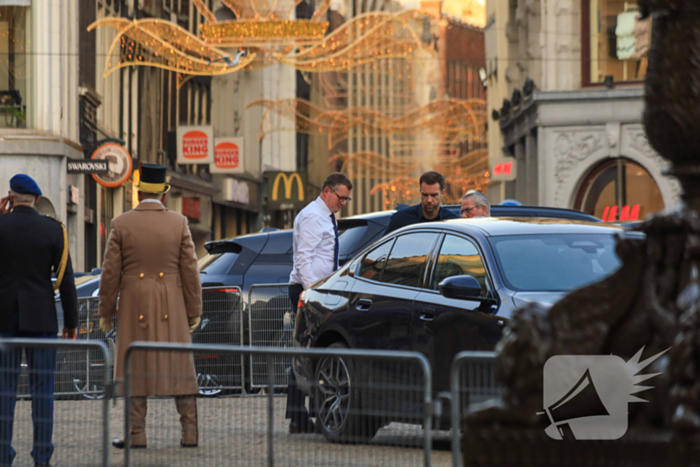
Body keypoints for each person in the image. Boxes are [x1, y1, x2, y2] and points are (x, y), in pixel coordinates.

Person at [98, 163, 202, 449]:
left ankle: (136, 434)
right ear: (164, 195)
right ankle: (189, 433)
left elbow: (110, 273)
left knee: (134, 364)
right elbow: (190, 271)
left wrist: (106, 311)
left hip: (133, 301)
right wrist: (194, 311)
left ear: (139, 192)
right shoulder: (179, 223)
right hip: (172, 301)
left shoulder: (121, 223)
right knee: (180, 366)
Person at [0, 174, 78, 467]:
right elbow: (65, 279)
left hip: (4, 319)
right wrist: (71, 322)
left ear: (10, 197)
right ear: (35, 199)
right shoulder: (53, 229)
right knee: (42, 390)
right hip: (42, 320)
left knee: (4, 390)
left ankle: (3, 455)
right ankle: (42, 456)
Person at [287, 172, 353, 434]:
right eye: (341, 198)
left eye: (347, 199)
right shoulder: (315, 216)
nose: (343, 203)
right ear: (327, 191)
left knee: (309, 350)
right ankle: (301, 416)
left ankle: (301, 416)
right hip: (310, 291)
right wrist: (312, 293)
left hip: (313, 290)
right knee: (308, 352)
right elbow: (304, 259)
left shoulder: (321, 214)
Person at [383, 171, 459, 235]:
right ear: (420, 192)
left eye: (433, 195)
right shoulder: (401, 219)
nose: (429, 200)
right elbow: (384, 248)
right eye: (425, 195)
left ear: (442, 193)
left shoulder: (453, 222)